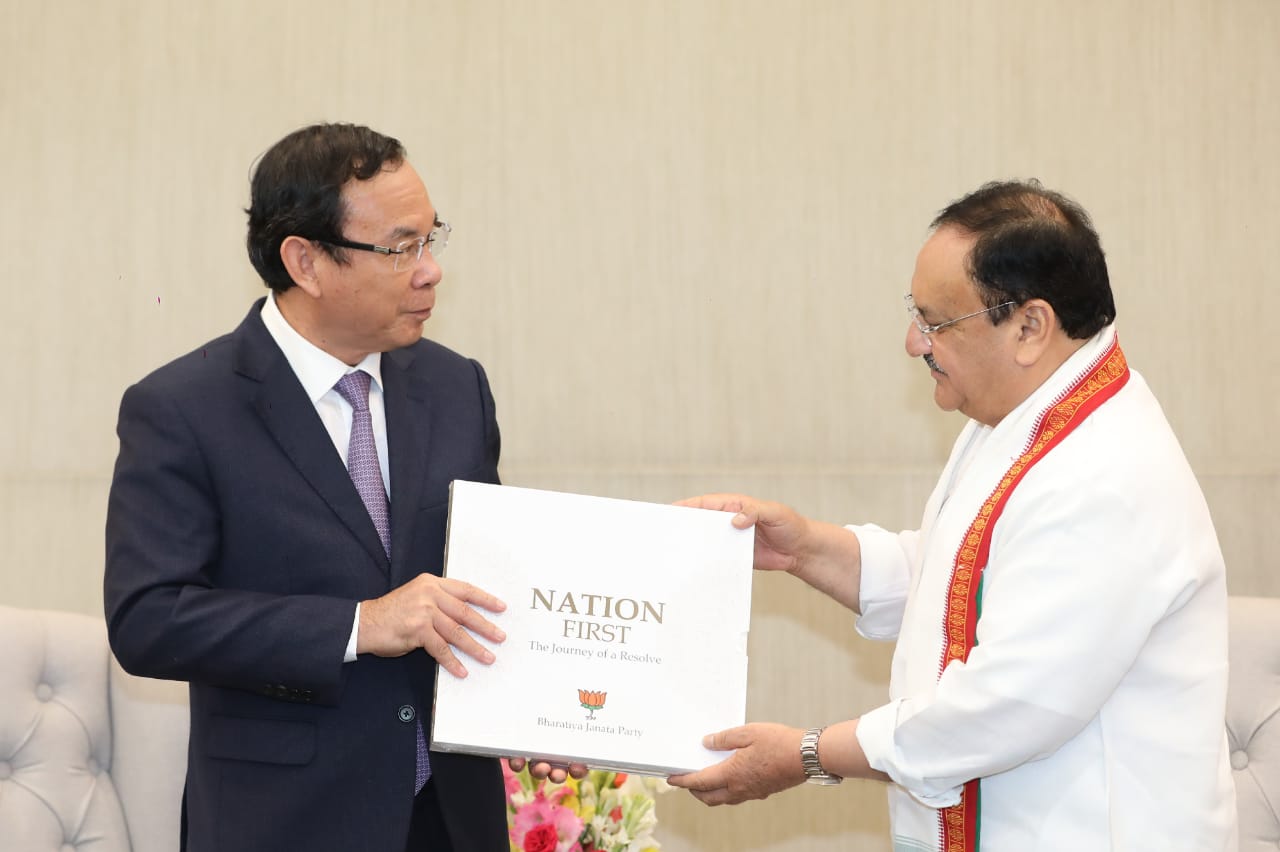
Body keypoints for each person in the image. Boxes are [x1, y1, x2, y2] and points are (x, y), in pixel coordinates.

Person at [667, 180, 1237, 850]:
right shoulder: (1028, 412)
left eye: (936, 322)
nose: (914, 343)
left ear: (1030, 326)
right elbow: (961, 582)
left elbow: (1004, 706)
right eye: (917, 313)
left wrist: (809, 754)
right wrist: (803, 548)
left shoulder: (1106, 474)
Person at [105, 123, 512, 851]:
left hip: (450, 818)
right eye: (400, 247)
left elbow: (489, 578)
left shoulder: (458, 388)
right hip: (287, 821)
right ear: (306, 261)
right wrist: (359, 626)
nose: (430, 271)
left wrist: (542, 707)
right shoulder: (183, 409)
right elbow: (148, 618)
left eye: (431, 239)